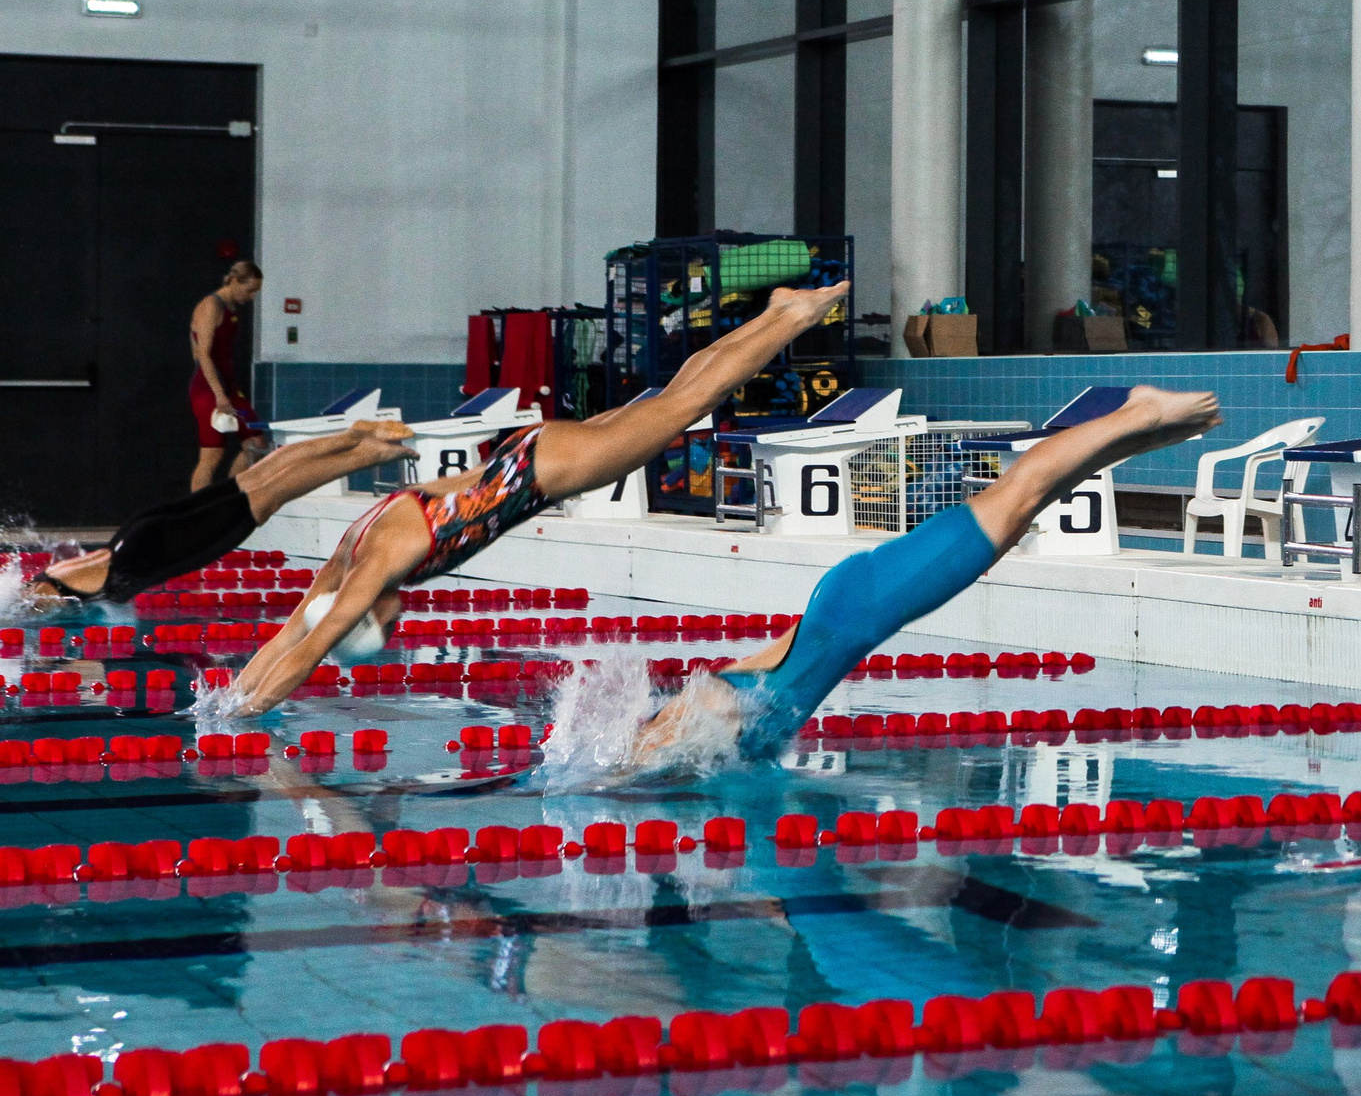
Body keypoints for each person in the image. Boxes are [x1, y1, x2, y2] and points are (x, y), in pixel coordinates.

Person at [225, 283, 857, 715]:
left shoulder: (372, 571)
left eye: (384, 627)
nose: (397, 622)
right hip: (527, 452)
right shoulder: (351, 551)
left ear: (366, 615)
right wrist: (229, 697)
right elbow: (289, 633)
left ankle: (793, 317)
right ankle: (775, 312)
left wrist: (249, 716)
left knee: (689, 403)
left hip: (545, 472)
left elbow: (310, 648)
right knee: (674, 398)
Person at [629, 385, 1224, 763]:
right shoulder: (717, 716)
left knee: (1017, 494)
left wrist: (625, 769)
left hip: (860, 606)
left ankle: (1138, 411)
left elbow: (683, 721)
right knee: (1021, 510)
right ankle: (1133, 435)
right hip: (854, 608)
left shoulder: (699, 711)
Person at [20, 421, 420, 613]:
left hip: (152, 550)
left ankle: (370, 454)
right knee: (255, 479)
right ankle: (350, 437)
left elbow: (48, 621)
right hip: (134, 534)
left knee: (269, 495)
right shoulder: (48, 576)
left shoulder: (41, 599)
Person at [191, 260, 267, 491]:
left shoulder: (231, 307)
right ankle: (197, 508)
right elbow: (203, 354)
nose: (252, 297)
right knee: (212, 454)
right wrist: (219, 395)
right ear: (234, 281)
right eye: (249, 290)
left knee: (256, 444)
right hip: (208, 388)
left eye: (256, 292)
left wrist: (227, 391)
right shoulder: (211, 305)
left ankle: (227, 495)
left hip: (229, 387)